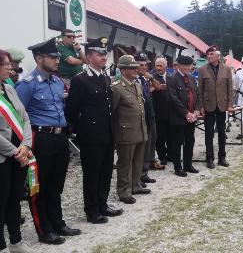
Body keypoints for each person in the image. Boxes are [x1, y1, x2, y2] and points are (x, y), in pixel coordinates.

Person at [16, 38, 81, 245]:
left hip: (60, 137)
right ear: (38, 58)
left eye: (57, 57)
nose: (56, 61)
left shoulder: (57, 81)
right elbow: (19, 117)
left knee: (56, 184)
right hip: (40, 138)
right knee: (39, 187)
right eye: (52, 57)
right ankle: (44, 230)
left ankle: (58, 223)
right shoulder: (27, 85)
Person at [65, 37, 123, 224]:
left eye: (105, 54)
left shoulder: (105, 78)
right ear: (89, 57)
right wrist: (81, 130)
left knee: (106, 171)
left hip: (107, 133)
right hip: (91, 136)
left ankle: (102, 203)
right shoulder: (80, 80)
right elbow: (72, 110)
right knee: (92, 173)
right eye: (99, 54)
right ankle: (91, 209)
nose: (104, 57)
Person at [0, 50, 34, 253]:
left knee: (14, 198)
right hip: (5, 156)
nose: (10, 68)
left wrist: (26, 145)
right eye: (6, 64)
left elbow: (25, 118)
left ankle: (16, 242)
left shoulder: (9, 88)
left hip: (19, 153)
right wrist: (15, 151)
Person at [112, 55, 149, 204]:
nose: (135, 70)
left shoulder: (137, 84)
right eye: (132, 68)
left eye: (135, 67)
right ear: (122, 69)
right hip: (125, 132)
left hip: (140, 129)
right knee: (125, 163)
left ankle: (135, 185)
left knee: (138, 160)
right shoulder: (116, 87)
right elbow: (113, 113)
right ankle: (124, 191)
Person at [198, 45, 233, 169]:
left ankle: (222, 157)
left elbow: (230, 88)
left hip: (222, 105)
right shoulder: (202, 69)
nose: (209, 56)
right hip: (208, 105)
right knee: (209, 133)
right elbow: (200, 90)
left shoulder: (227, 69)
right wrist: (201, 106)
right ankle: (209, 158)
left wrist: (230, 105)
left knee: (222, 132)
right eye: (207, 54)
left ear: (218, 56)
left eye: (211, 54)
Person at [167, 56, 201, 177]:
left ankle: (188, 164)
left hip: (191, 116)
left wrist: (196, 110)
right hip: (179, 117)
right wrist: (186, 113)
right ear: (178, 66)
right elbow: (173, 99)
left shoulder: (191, 78)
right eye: (186, 66)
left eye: (190, 66)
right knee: (177, 143)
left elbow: (197, 95)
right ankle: (178, 167)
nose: (188, 68)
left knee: (190, 141)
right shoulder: (172, 79)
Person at [135, 53, 158, 187]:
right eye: (141, 65)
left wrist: (151, 77)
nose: (144, 67)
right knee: (140, 147)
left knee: (150, 144)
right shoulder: (134, 79)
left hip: (150, 115)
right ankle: (137, 176)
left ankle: (144, 173)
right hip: (140, 117)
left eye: (146, 65)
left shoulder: (144, 79)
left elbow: (158, 86)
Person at [151, 58, 170, 168]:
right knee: (160, 136)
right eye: (157, 66)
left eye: (161, 66)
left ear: (165, 67)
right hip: (158, 112)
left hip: (170, 112)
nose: (158, 68)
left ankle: (171, 154)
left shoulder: (171, 77)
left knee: (171, 135)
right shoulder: (151, 77)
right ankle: (162, 156)